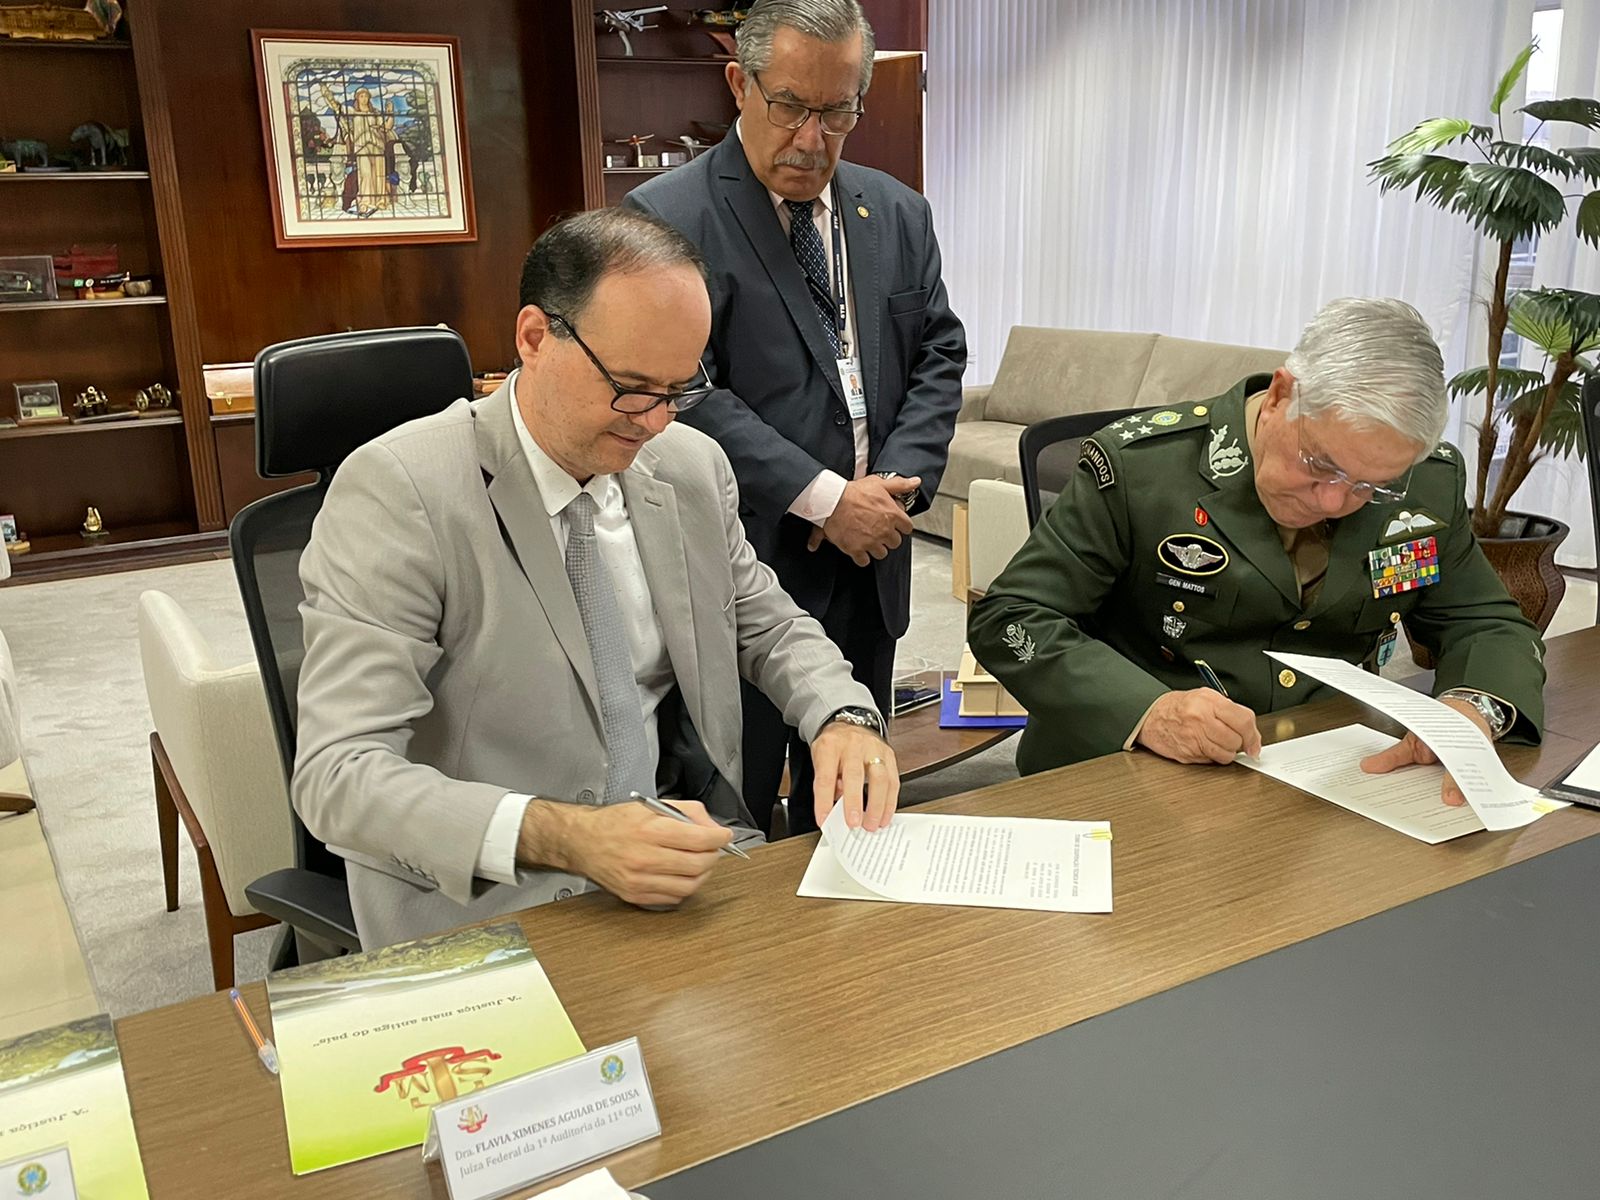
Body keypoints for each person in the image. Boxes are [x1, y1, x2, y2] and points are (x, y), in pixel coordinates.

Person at [293, 208, 899, 949]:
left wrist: (842, 714)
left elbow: (766, 623)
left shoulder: (689, 466)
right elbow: (337, 775)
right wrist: (571, 837)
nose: (653, 422)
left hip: (688, 866)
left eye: (679, 389)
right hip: (498, 906)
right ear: (534, 338)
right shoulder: (402, 492)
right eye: (632, 385)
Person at [969, 297, 1545, 805]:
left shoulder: (1425, 482)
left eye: (1372, 485)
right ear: (1280, 395)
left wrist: (1478, 707)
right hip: (1130, 767)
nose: (1338, 499)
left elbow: (1485, 622)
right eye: (1322, 464)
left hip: (1329, 775)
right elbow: (1012, 617)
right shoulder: (1139, 467)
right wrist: (1146, 711)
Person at [625, 0, 966, 835]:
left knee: (850, 800)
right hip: (744, 564)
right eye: (791, 107)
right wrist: (824, 497)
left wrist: (892, 499)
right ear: (740, 85)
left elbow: (938, 354)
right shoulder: (666, 220)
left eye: (839, 111)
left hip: (872, 557)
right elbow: (687, 393)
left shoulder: (896, 212)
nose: (814, 139)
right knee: (729, 807)